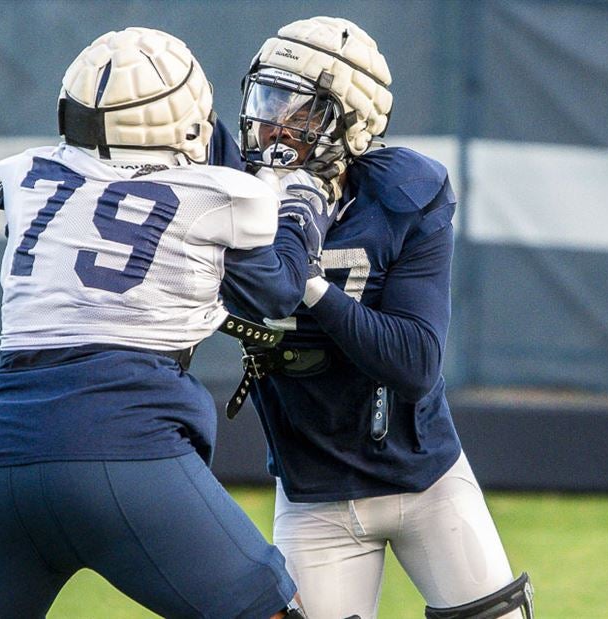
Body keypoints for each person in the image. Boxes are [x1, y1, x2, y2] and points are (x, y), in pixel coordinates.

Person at [0, 27, 335, 618]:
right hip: (126, 447)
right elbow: (277, 289)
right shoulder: (212, 194)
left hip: (1, 455)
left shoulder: (31, 179)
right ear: (185, 119)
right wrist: (299, 206)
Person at [218, 16, 534, 619]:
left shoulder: (403, 194)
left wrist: (309, 284)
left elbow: (415, 362)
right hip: (314, 488)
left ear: (351, 122)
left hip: (423, 476)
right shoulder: (234, 196)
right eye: (267, 97)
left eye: (299, 108)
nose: (272, 123)